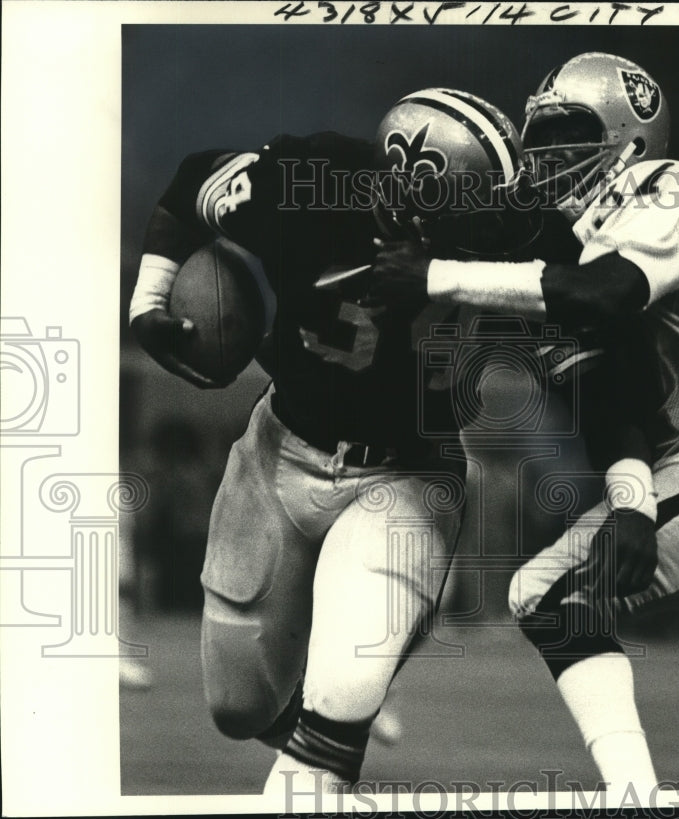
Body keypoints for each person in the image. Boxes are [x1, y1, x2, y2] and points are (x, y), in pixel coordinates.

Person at [372, 53, 679, 791]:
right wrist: (633, 500)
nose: (545, 152)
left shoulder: (668, 185)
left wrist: (433, 275)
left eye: (566, 132)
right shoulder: (576, 242)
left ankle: (634, 795)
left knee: (545, 594)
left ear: (630, 140)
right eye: (538, 133)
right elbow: (616, 400)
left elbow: (602, 294)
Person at [129, 88, 534, 792]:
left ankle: (342, 710)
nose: (496, 222)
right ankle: (332, 730)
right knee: (239, 706)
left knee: (340, 698)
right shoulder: (305, 187)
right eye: (477, 203)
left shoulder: (523, 235)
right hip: (279, 452)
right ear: (413, 195)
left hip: (406, 476)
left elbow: (604, 292)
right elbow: (195, 180)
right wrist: (147, 300)